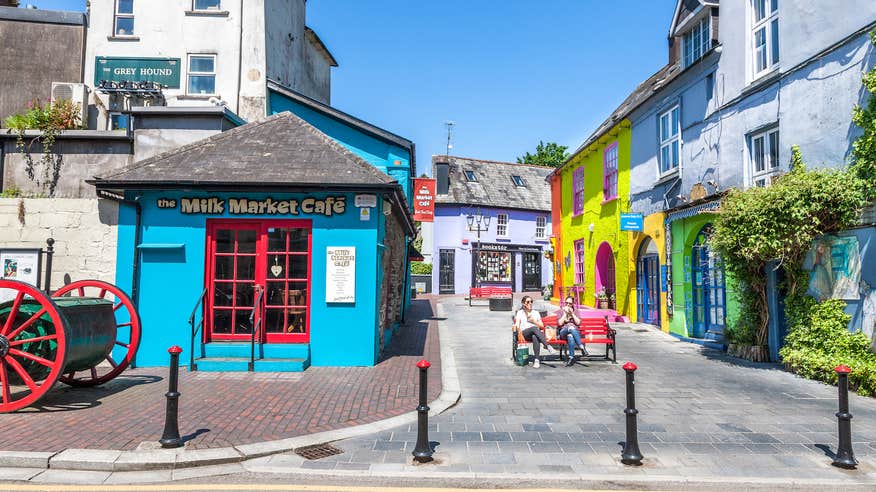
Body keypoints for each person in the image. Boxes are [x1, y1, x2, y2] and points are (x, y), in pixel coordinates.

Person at [514, 295, 555, 368]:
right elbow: (517, 323)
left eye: (531, 302)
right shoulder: (520, 313)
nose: (530, 303)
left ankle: (536, 360)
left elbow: (542, 326)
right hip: (524, 334)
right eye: (528, 302)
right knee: (534, 328)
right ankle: (547, 345)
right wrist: (517, 328)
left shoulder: (536, 313)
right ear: (523, 303)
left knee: (535, 336)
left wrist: (534, 321)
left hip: (534, 333)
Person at [557, 296, 587, 366]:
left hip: (573, 333)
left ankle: (571, 357)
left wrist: (572, 314)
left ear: (573, 304)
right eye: (566, 303)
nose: (568, 304)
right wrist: (565, 314)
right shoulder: (561, 311)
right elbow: (560, 323)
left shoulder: (576, 311)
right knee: (570, 327)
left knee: (570, 336)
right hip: (563, 332)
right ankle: (581, 347)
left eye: (570, 303)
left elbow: (578, 323)